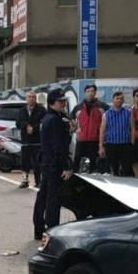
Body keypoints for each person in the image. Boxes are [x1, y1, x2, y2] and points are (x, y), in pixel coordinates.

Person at [34, 90, 73, 240]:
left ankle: (39, 228)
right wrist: (65, 167)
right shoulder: (54, 120)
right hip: (54, 163)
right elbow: (58, 146)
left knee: (43, 196)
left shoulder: (47, 118)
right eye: (60, 101)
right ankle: (52, 231)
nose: (63, 104)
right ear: (52, 102)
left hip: (45, 160)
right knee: (53, 199)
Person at [71, 83, 107, 173]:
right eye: (88, 91)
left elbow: (110, 118)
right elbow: (70, 119)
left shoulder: (102, 106)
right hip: (81, 139)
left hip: (95, 139)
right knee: (77, 159)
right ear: (85, 93)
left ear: (95, 93)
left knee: (93, 161)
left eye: (92, 91)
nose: (90, 93)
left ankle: (92, 180)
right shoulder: (78, 107)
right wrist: (75, 129)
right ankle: (74, 177)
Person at [98, 90, 136, 176]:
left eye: (121, 98)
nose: (119, 100)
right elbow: (102, 130)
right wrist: (101, 147)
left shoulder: (128, 113)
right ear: (113, 100)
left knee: (126, 169)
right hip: (111, 145)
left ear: (123, 101)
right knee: (112, 170)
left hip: (125, 145)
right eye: (117, 98)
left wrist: (132, 144)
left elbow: (133, 128)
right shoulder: (106, 114)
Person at [15, 91, 46, 188]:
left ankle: (38, 180)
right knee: (25, 161)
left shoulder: (41, 110)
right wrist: (26, 126)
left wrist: (34, 128)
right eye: (29, 97)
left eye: (33, 97)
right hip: (25, 140)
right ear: (26, 99)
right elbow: (18, 123)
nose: (31, 99)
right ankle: (25, 180)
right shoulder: (22, 111)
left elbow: (44, 122)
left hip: (37, 140)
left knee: (37, 162)